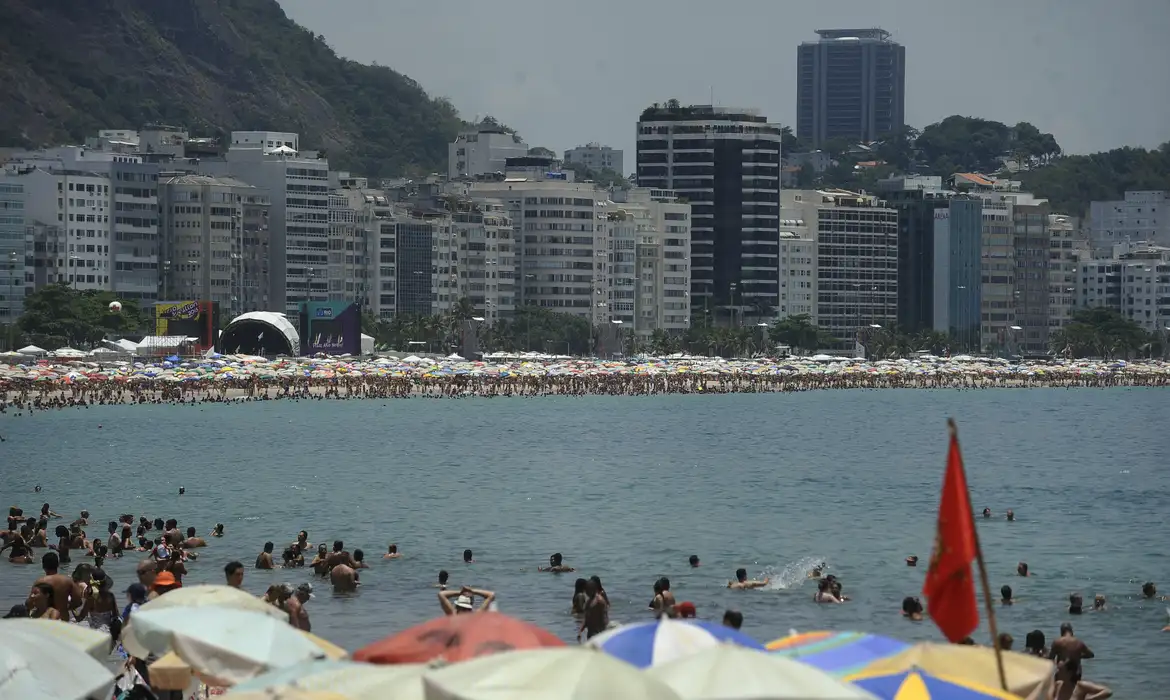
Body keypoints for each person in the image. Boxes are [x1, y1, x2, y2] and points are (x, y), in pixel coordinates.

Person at [1050, 623, 1112, 700]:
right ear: (1071, 631)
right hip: (1075, 672)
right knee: (1076, 691)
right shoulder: (1079, 642)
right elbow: (1090, 655)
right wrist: (1078, 656)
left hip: (1066, 671)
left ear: (1062, 632)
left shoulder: (1057, 642)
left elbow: (1050, 658)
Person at [36, 551, 83, 619]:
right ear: (58, 565)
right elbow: (78, 602)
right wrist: (65, 608)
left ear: (43, 566)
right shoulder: (68, 581)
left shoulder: (39, 582)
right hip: (63, 619)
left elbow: (30, 603)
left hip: (45, 621)